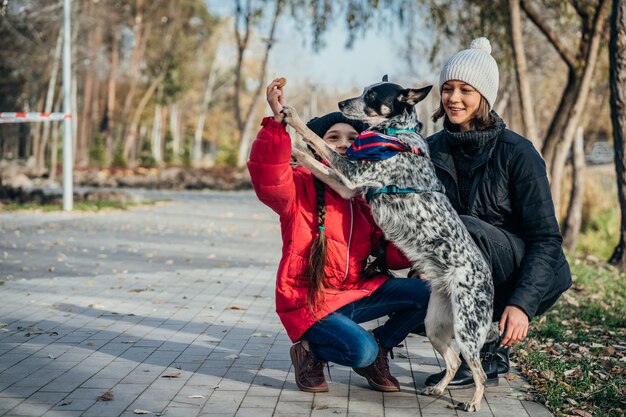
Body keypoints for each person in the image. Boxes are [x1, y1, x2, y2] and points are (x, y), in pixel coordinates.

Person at [247, 78, 431, 393]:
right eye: (334, 137)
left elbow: (391, 254)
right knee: (361, 351)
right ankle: (310, 351)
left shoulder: (368, 194)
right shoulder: (299, 186)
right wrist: (278, 123)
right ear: (318, 145)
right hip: (310, 301)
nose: (345, 144)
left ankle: (381, 349)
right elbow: (268, 176)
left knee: (430, 293)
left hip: (356, 293)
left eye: (352, 137)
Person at [423, 37, 572, 388]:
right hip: (465, 269)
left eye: (465, 90)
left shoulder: (518, 153)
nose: (454, 98)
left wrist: (521, 305)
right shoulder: (430, 150)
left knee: (463, 227)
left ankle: (488, 350)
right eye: (447, 89)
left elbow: (546, 239)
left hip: (517, 271)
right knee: (415, 292)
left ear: (484, 96)